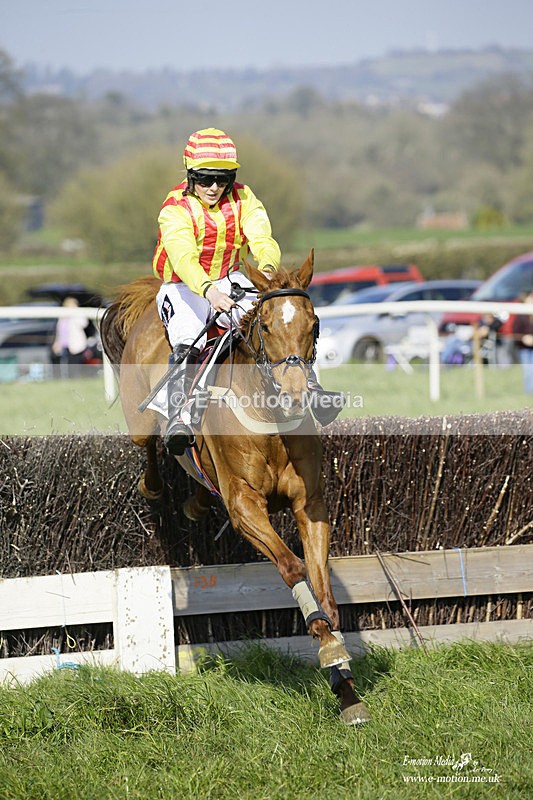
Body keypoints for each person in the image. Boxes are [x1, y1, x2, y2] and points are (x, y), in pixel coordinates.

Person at [153, 128, 281, 455]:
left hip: (228, 278)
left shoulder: (244, 197)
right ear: (191, 175)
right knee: (188, 333)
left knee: (275, 318)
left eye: (222, 180)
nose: (214, 188)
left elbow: (261, 238)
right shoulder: (175, 208)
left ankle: (307, 387)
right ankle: (179, 416)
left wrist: (267, 268)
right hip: (183, 286)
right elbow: (182, 258)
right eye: (205, 179)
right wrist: (208, 291)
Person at [51, 297, 89, 378]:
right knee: (65, 364)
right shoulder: (62, 316)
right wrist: (57, 342)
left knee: (75, 364)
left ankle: (76, 378)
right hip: (64, 344)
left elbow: (84, 324)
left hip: (75, 344)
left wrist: (74, 314)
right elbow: (59, 331)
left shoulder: (79, 314)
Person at [512, 291, 533, 394]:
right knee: (528, 370)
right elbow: (515, 332)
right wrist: (524, 338)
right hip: (524, 348)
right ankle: (529, 392)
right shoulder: (521, 315)